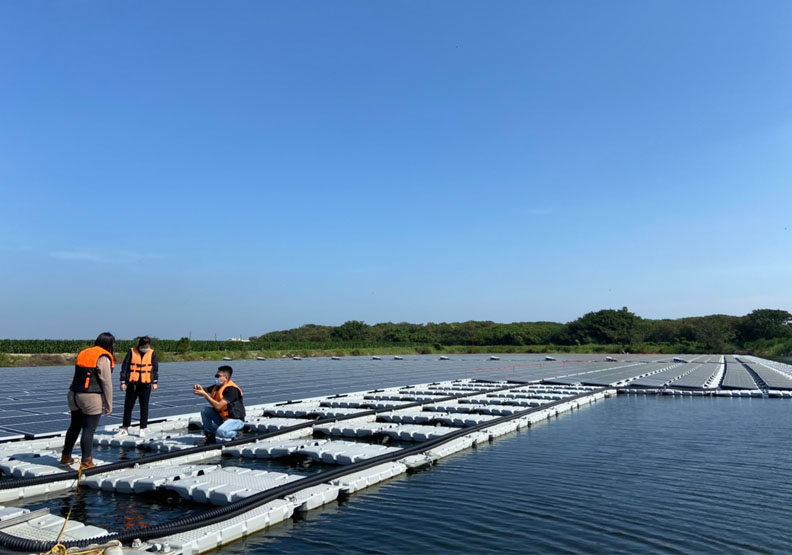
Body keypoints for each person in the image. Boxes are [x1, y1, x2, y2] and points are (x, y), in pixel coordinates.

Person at [61, 332, 115, 470]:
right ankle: (86, 462)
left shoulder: (84, 353)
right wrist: (109, 405)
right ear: (109, 345)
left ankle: (65, 456)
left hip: (73, 394)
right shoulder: (103, 357)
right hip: (90, 397)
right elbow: (106, 383)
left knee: (74, 426)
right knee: (89, 429)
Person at [114, 336, 159, 438]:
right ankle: (125, 428)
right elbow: (124, 367)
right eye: (143, 346)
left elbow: (155, 368)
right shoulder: (131, 352)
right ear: (139, 345)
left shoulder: (152, 353)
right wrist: (123, 382)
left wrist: (155, 382)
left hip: (146, 384)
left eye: (147, 346)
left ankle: (142, 428)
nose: (145, 348)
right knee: (128, 406)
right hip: (132, 384)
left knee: (144, 406)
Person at [192, 365, 245, 444]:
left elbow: (218, 406)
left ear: (226, 378)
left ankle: (237, 434)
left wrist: (205, 395)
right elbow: (204, 390)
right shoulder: (217, 387)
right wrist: (198, 388)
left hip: (235, 420)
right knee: (205, 411)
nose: (216, 377)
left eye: (218, 376)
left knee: (220, 432)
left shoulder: (232, 390)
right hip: (223, 419)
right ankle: (210, 437)